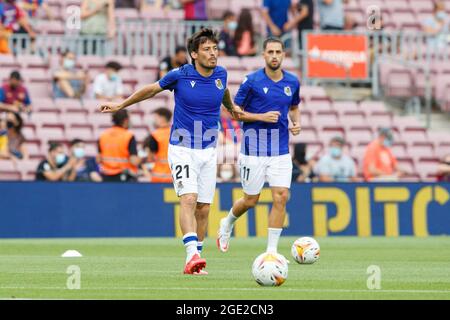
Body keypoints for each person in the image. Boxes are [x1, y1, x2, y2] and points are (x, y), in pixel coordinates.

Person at [99, 28, 243, 275]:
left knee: (204, 208)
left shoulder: (221, 74)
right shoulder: (180, 75)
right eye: (207, 49)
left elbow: (224, 91)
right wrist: (121, 104)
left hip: (209, 150)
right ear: (194, 54)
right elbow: (151, 89)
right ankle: (191, 256)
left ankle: (196, 260)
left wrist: (232, 108)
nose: (213, 53)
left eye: (215, 48)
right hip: (182, 148)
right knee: (188, 198)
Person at [217, 37, 301, 256]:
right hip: (253, 150)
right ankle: (227, 223)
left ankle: (271, 252)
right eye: (270, 52)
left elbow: (294, 106)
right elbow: (234, 111)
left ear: (284, 55)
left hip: (281, 150)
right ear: (263, 55)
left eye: (278, 52)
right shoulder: (252, 81)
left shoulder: (292, 82)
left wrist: (296, 122)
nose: (274, 56)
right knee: (250, 200)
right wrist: (261, 117)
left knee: (281, 196)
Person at [98, 109, 140, 182]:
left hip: (106, 177)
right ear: (126, 120)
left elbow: (98, 159)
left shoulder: (103, 135)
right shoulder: (129, 136)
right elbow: (134, 161)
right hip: (124, 177)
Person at [142, 107, 172, 183]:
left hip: (159, 177)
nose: (154, 120)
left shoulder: (155, 135)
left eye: (156, 117)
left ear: (162, 118)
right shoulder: (177, 133)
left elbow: (150, 157)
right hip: (176, 176)